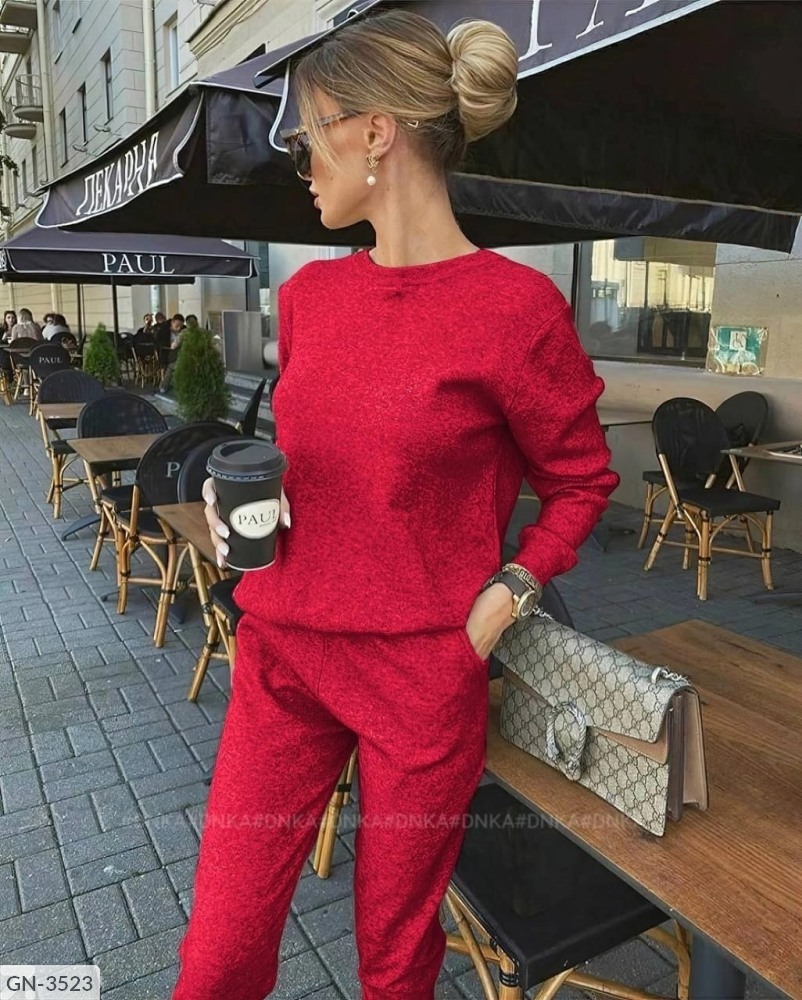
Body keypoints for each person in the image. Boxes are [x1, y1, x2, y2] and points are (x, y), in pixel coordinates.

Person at [173, 11, 619, 1000]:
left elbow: (582, 477)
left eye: (308, 134)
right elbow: (318, 460)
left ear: (375, 133)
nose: (300, 161)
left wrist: (505, 595)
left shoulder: (515, 311)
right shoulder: (311, 299)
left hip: (421, 674)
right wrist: (237, 502)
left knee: (395, 958)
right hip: (284, 655)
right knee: (217, 955)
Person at [158, 314, 188, 392]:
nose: (179, 328)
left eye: (180, 326)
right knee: (173, 365)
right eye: (177, 326)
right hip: (167, 353)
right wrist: (170, 345)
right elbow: (159, 344)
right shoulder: (164, 330)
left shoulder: (184, 330)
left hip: (181, 353)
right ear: (172, 322)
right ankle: (164, 386)